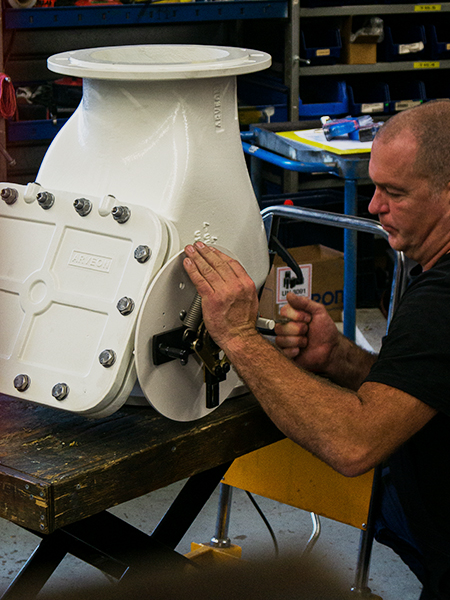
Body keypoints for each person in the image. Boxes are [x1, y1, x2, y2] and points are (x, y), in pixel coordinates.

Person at [182, 100, 450, 599]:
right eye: (374, 187)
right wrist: (337, 358)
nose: (373, 207)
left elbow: (354, 444)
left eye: (395, 193)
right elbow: (423, 385)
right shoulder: (429, 269)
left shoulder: (442, 299)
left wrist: (238, 336)